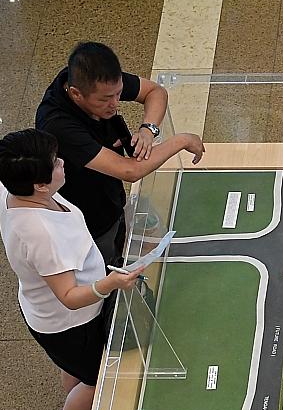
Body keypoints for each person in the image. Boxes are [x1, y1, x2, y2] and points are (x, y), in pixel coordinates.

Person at [0, 128, 141, 410]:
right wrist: (112, 283)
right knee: (96, 377)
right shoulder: (41, 235)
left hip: (44, 312)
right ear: (41, 185)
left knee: (76, 369)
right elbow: (70, 296)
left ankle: (83, 405)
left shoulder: (8, 186)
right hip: (69, 321)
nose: (62, 163)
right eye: (55, 163)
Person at [36, 41, 205, 267]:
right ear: (76, 94)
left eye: (118, 94)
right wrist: (182, 140)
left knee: (118, 239)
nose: (115, 104)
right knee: (104, 267)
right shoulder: (58, 125)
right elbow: (130, 170)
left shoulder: (95, 77)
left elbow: (155, 91)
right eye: (105, 99)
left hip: (110, 196)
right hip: (87, 218)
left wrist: (148, 130)